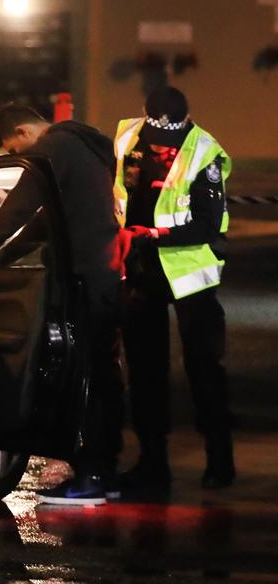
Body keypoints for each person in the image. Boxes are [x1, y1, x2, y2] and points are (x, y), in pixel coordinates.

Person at [0, 103, 125, 506]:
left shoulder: (53, 147)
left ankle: (92, 475)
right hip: (103, 274)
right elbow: (47, 221)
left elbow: (23, 203)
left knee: (87, 377)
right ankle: (105, 471)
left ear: (25, 132)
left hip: (82, 279)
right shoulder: (84, 146)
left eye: (14, 150)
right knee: (102, 373)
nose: (19, 159)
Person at [112, 86, 234, 499]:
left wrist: (152, 234)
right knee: (145, 372)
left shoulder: (204, 153)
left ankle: (220, 461)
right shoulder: (128, 137)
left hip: (189, 275)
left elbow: (208, 224)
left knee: (204, 369)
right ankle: (152, 463)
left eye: (170, 145)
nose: (163, 151)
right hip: (141, 270)